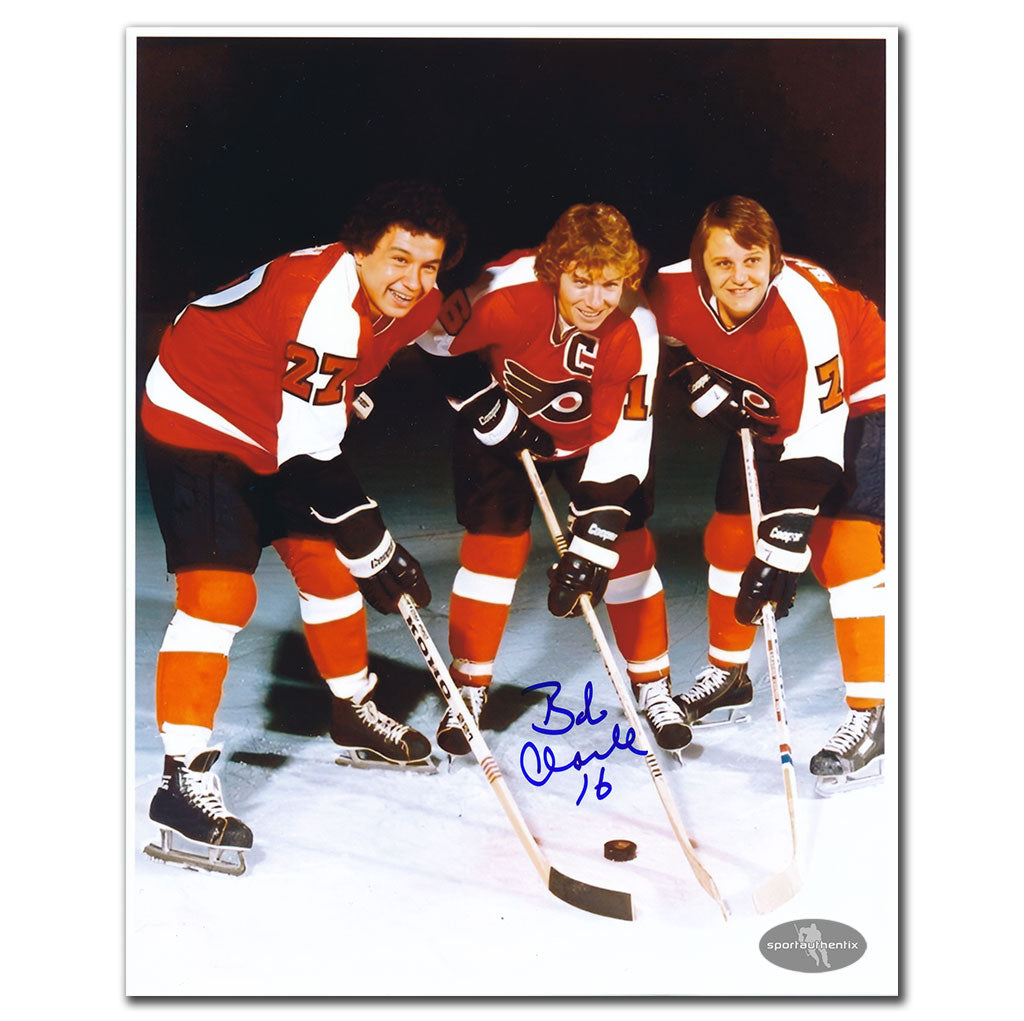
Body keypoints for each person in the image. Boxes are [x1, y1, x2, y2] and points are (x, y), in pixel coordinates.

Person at [140, 181, 467, 868]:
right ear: (360, 251)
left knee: (329, 567)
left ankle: (352, 710)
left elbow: (442, 348)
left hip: (279, 422)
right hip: (200, 416)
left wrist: (489, 401)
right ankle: (180, 781)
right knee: (221, 596)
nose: (413, 281)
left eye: (428, 265)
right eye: (399, 260)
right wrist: (377, 545)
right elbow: (314, 452)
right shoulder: (322, 301)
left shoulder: (417, 299)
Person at [417, 202, 692, 755]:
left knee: (628, 546)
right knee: (493, 549)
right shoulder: (505, 290)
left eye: (610, 284)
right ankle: (468, 687)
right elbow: (432, 338)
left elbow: (626, 438)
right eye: (581, 281)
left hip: (593, 438)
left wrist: (593, 541)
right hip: (504, 428)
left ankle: (653, 685)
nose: (595, 300)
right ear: (554, 271)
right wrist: (483, 404)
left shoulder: (636, 324)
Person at [647, 195, 885, 789]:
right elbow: (656, 339)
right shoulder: (667, 291)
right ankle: (729, 676)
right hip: (771, 399)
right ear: (699, 266)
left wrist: (783, 544)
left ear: (774, 261)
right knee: (730, 535)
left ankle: (873, 714)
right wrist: (691, 375)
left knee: (844, 549)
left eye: (752, 261)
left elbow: (820, 440)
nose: (739, 277)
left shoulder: (807, 315)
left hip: (863, 398)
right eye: (723, 263)